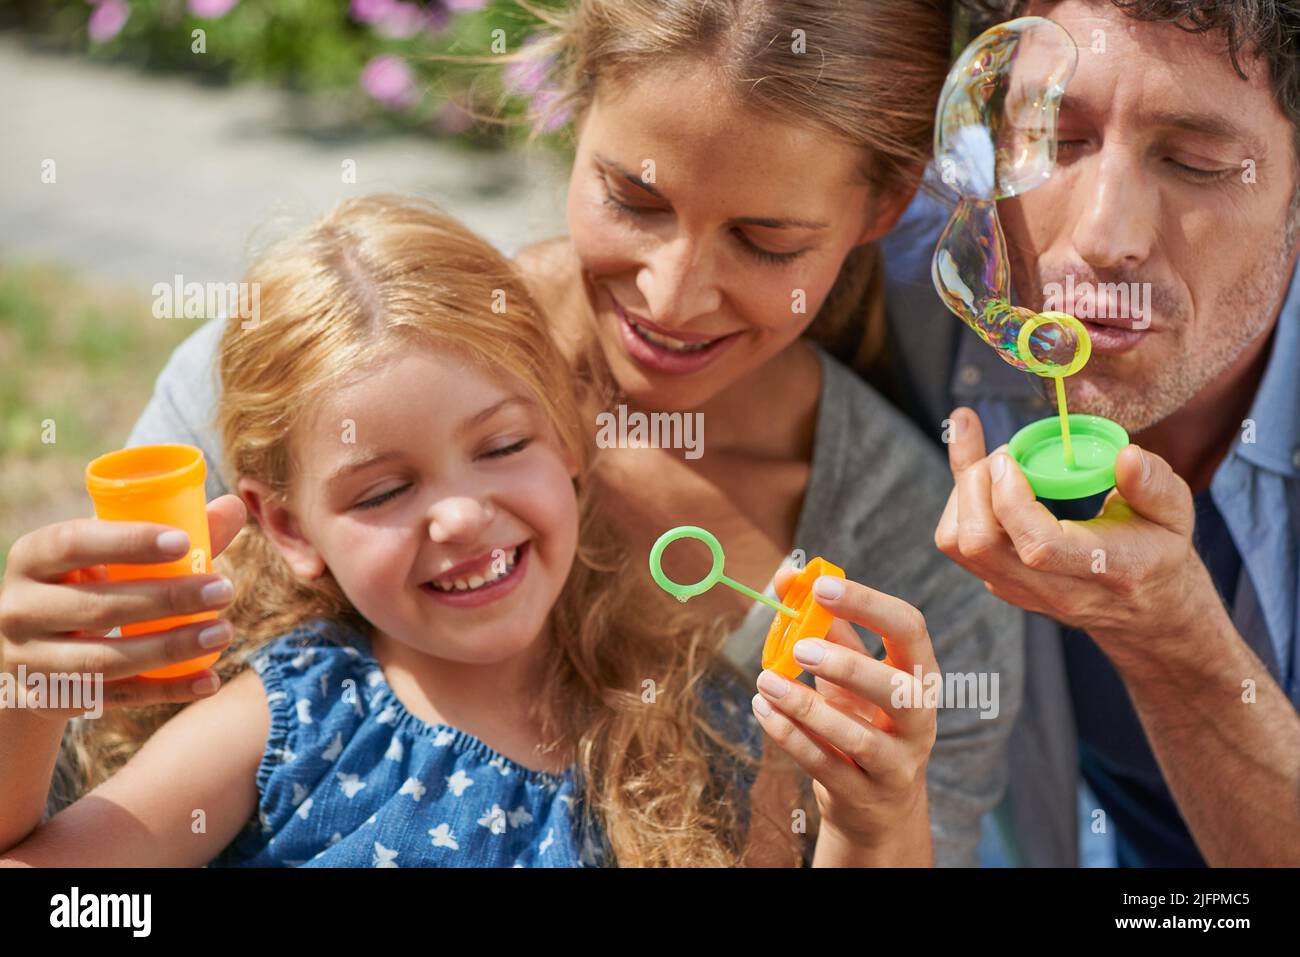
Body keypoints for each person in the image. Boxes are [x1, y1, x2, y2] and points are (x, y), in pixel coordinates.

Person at [0, 0, 1022, 864]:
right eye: (631, 198)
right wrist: (30, 678)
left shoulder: (903, 566)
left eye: (764, 241)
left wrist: (874, 821)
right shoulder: (309, 376)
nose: (671, 294)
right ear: (572, 117)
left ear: (885, 204)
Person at [885, 0, 1300, 865]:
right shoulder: (916, 276)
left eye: (1196, 161)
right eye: (1053, 139)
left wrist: (1170, 639)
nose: (1104, 238)